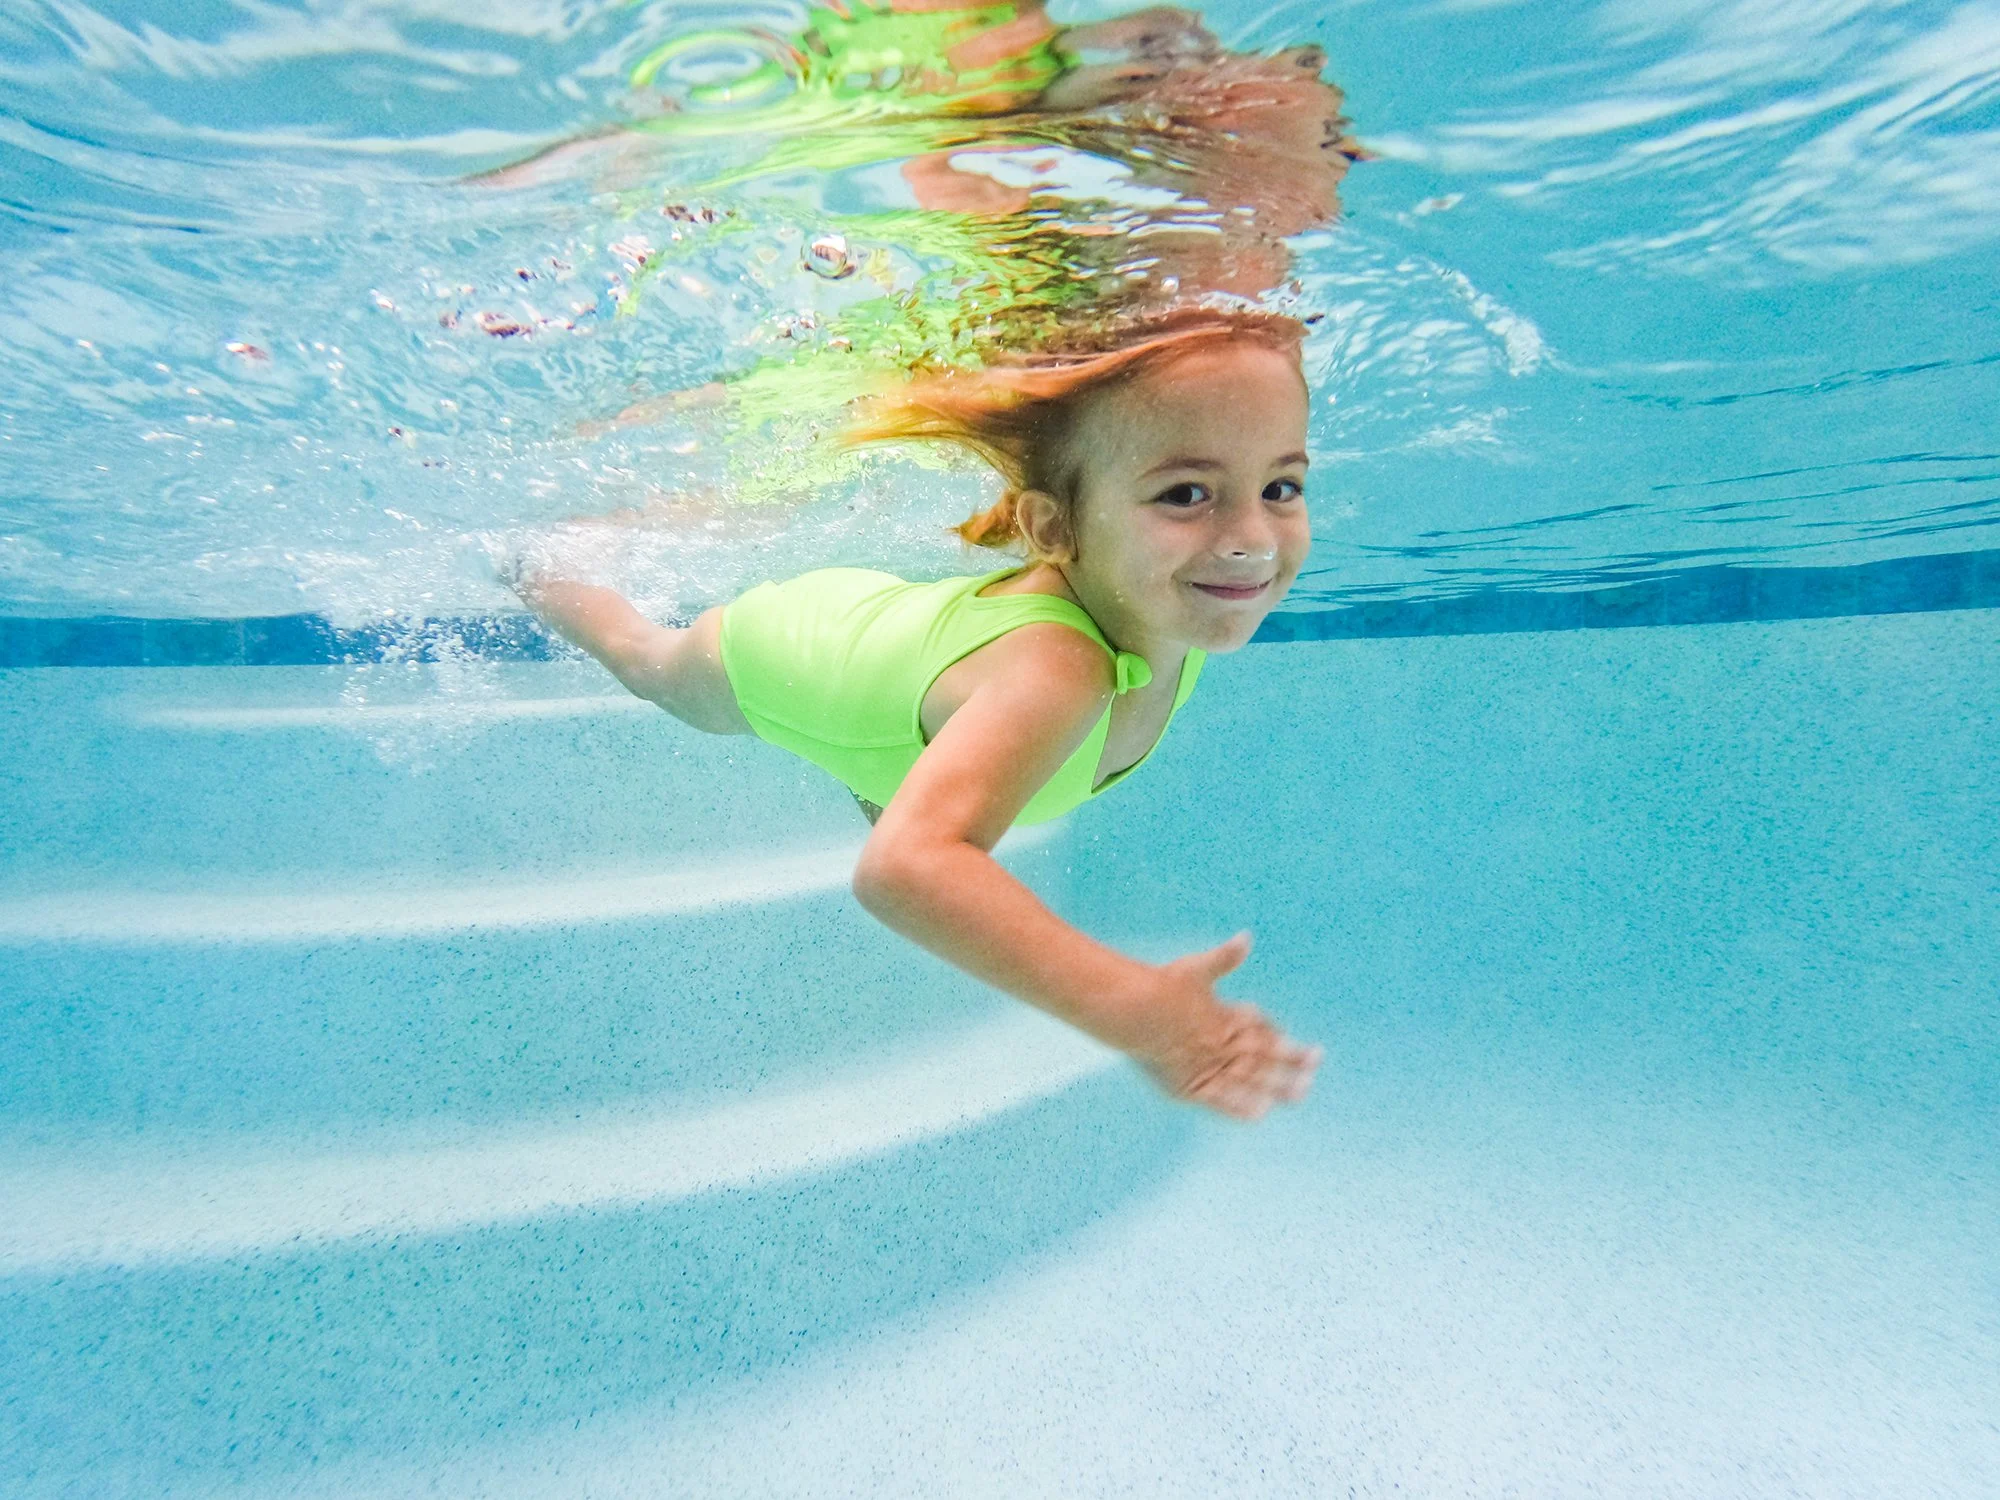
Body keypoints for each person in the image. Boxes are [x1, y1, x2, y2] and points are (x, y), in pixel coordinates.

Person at [513, 310, 1324, 1121]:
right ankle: (538, 563)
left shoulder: (1172, 617)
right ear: (1055, 527)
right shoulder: (1058, 672)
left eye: (1280, 486)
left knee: (923, 791)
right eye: (1186, 494)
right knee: (650, 665)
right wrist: (1132, 1009)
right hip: (788, 652)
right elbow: (903, 871)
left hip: (900, 647)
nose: (1252, 538)